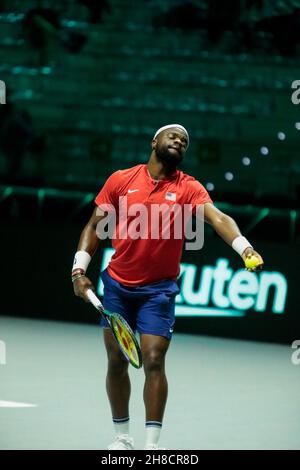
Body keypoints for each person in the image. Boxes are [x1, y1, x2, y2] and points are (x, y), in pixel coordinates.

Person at [72, 124, 264, 450]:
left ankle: (152, 447)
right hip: (117, 285)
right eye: (173, 136)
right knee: (117, 360)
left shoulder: (188, 188)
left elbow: (217, 219)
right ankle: (122, 437)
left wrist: (244, 247)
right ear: (154, 141)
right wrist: (78, 271)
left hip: (158, 291)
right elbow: (94, 225)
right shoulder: (121, 180)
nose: (179, 141)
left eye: (185, 141)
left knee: (154, 359)